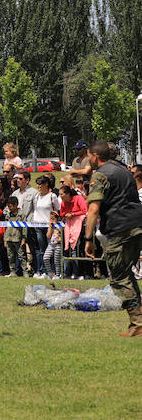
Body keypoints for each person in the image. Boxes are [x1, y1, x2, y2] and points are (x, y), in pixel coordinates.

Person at [83, 141, 142, 336]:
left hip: (120, 228)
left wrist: (88, 239)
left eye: (88, 156)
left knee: (118, 276)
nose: (88, 159)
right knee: (126, 272)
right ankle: (137, 322)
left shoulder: (100, 174)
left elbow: (93, 210)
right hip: (137, 224)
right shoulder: (124, 170)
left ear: (95, 156)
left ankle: (138, 323)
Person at [3, 197, 28, 277]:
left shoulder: (21, 215)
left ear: (16, 205)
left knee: (21, 256)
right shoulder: (8, 215)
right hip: (9, 238)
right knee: (10, 256)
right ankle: (12, 271)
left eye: (10, 206)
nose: (9, 208)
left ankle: (25, 271)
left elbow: (25, 228)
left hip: (18, 238)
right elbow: (6, 227)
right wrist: (5, 239)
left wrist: (24, 238)